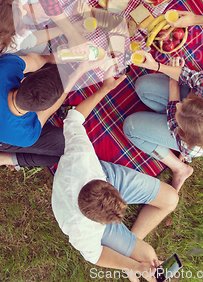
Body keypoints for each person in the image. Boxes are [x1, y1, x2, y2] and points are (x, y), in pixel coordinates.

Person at [52, 71, 179, 282]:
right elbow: (96, 256)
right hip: (92, 191)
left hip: (103, 174)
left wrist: (105, 88)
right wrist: (135, 266)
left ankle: (131, 242)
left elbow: (73, 117)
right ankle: (131, 248)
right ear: (99, 225)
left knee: (171, 199)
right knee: (149, 258)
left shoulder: (82, 157)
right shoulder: (81, 229)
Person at [0, 53, 105, 185]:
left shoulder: (6, 66)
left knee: (38, 61)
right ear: (43, 109)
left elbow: (33, 59)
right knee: (68, 149)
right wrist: (79, 71)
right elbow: (51, 110)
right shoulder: (27, 134)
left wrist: (51, 58)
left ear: (24, 79)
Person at [123, 54, 203, 192]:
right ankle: (162, 118)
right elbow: (187, 76)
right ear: (200, 100)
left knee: (130, 127)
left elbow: (174, 107)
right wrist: (157, 66)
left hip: (189, 140)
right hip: (193, 120)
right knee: (142, 86)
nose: (178, 106)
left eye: (179, 115)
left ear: (183, 133)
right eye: (184, 103)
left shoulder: (188, 145)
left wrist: (173, 81)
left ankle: (179, 168)